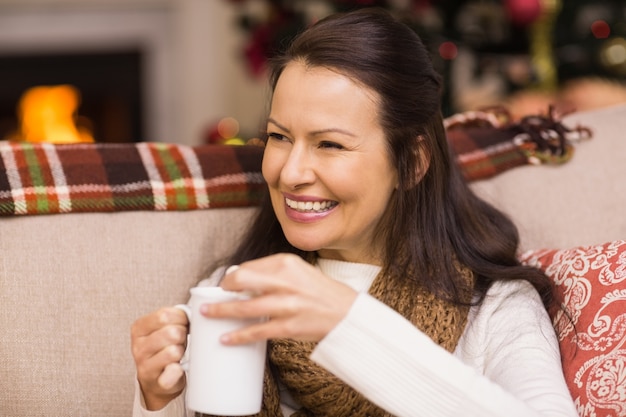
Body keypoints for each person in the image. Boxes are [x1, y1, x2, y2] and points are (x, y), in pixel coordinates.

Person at [131, 8, 578, 417]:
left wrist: (351, 325)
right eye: (279, 137)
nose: (290, 173)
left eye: (330, 144)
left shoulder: (495, 309)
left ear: (413, 162)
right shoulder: (232, 296)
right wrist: (155, 400)